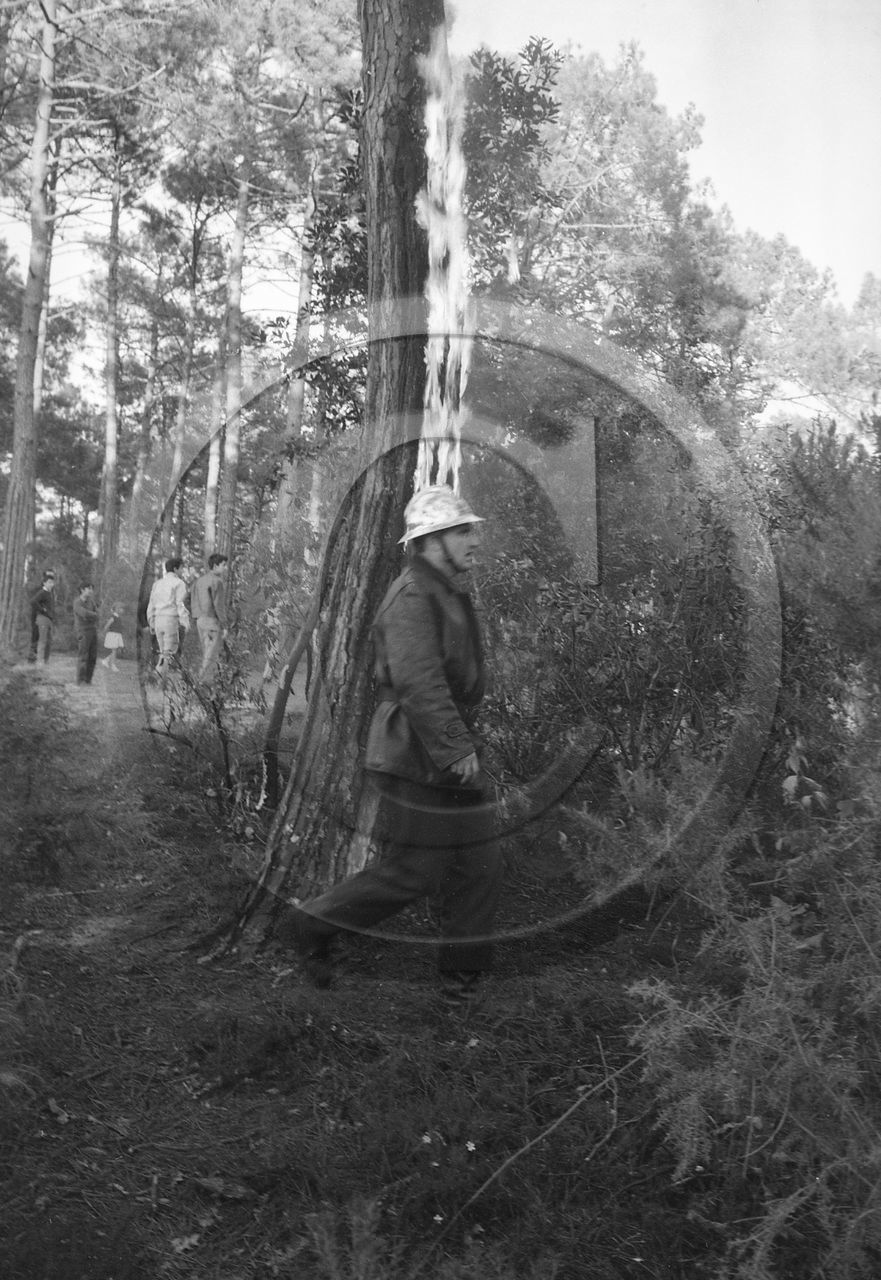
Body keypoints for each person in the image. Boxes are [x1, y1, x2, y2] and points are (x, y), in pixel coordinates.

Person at [287, 484, 503, 1008]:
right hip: (413, 755)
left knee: (482, 862)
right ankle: (308, 925)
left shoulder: (445, 590)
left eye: (471, 529)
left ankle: (462, 987)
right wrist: (455, 747)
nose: (475, 539)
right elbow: (416, 679)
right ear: (431, 541)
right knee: (416, 871)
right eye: (462, 530)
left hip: (440, 750)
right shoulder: (412, 593)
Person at [146, 556, 190, 675]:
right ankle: (156, 677)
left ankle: (161, 680)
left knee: (163, 652)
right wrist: (185, 622)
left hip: (158, 620)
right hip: (170, 620)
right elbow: (180, 604)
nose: (182, 571)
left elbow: (151, 605)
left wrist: (151, 621)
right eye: (181, 568)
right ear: (175, 569)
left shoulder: (157, 584)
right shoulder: (179, 583)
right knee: (168, 653)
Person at [190, 553, 229, 681]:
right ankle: (199, 684)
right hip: (212, 621)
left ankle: (207, 687)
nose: (225, 568)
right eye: (223, 565)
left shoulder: (199, 580)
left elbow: (194, 601)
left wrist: (197, 618)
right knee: (210, 657)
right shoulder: (218, 582)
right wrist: (224, 625)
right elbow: (219, 605)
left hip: (200, 621)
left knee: (207, 654)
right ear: (216, 565)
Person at [73, 584, 99, 685]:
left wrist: (91, 615)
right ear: (82, 589)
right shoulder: (77, 602)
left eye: (92, 589)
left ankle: (88, 680)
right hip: (83, 631)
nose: (91, 591)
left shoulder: (91, 602)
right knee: (83, 656)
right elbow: (83, 613)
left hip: (93, 630)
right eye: (89, 589)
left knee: (93, 656)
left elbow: (97, 614)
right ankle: (80, 680)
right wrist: (91, 615)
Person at [29, 570, 56, 665]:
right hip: (41, 618)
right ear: (44, 582)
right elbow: (33, 601)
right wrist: (42, 610)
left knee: (48, 641)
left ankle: (45, 661)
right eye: (49, 582)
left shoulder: (50, 593)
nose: (51, 584)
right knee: (41, 640)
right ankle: (37, 661)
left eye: (53, 582)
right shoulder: (42, 592)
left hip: (48, 619)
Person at [100, 603, 125, 671]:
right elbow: (107, 625)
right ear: (116, 609)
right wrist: (103, 632)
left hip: (117, 635)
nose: (122, 610)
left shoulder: (118, 617)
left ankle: (106, 660)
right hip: (113, 635)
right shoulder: (113, 617)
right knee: (114, 650)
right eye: (120, 608)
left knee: (115, 650)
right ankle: (113, 665)